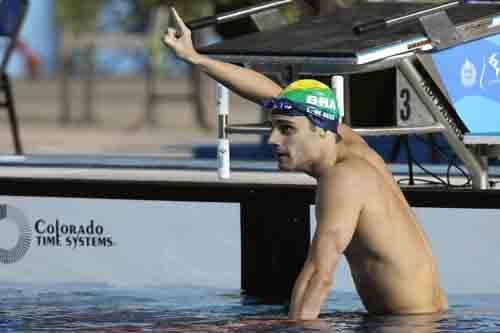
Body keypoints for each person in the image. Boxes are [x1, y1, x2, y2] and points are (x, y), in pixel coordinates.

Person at [162, 8, 448, 321]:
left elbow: (319, 276)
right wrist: (197, 58)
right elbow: (270, 93)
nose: (272, 140)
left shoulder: (343, 179)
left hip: (405, 325)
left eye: (286, 130)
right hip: (423, 317)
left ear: (320, 130)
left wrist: (295, 328)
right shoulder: (348, 143)